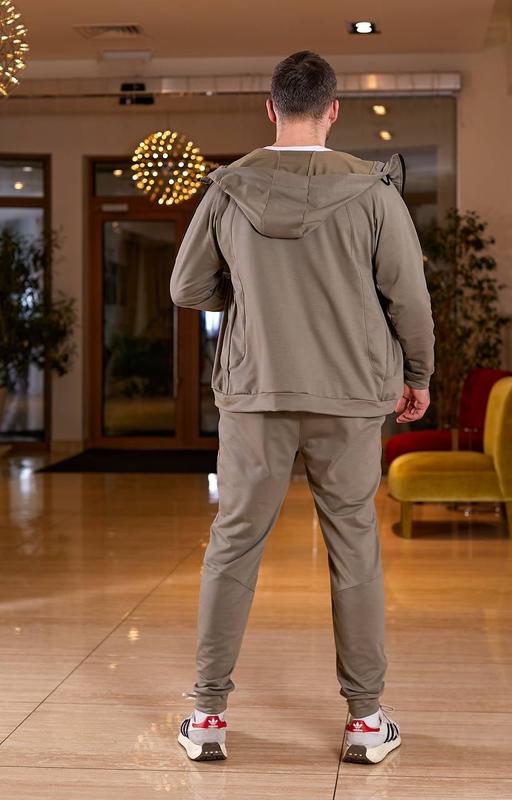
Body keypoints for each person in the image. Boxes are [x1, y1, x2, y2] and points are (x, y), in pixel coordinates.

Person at [170, 50, 434, 765]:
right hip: (350, 397)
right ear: (333, 110)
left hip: (256, 392)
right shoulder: (373, 193)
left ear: (270, 108)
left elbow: (187, 288)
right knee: (353, 547)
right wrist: (418, 374)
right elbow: (409, 299)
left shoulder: (228, 190)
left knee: (233, 544)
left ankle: (208, 716)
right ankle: (365, 721)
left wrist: (251, 298)